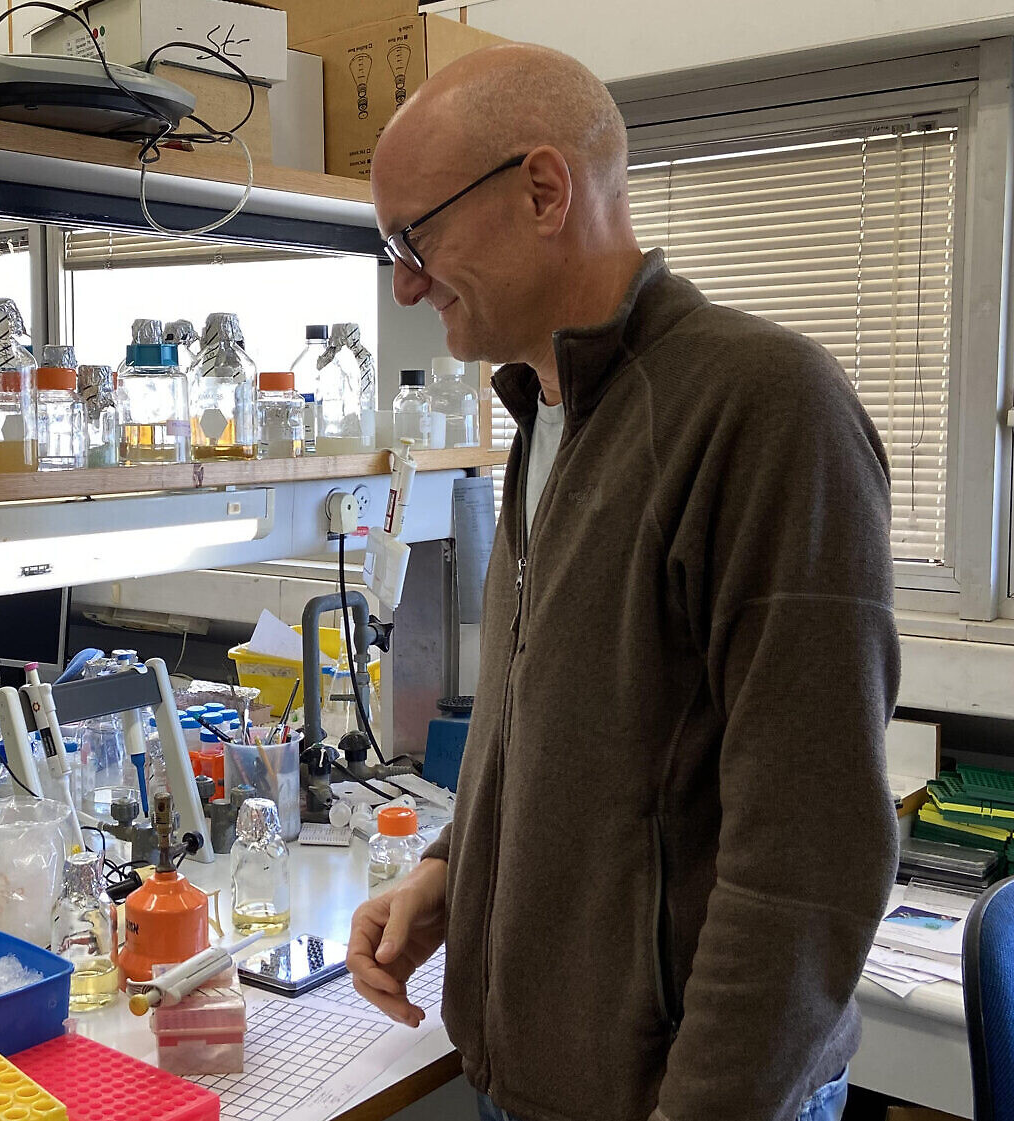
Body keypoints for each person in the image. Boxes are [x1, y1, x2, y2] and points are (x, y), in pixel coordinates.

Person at [348, 45, 897, 1121]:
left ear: (542, 190)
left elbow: (810, 851)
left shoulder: (767, 405)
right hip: (534, 1080)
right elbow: (564, 735)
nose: (404, 282)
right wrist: (452, 873)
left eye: (415, 238)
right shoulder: (541, 412)